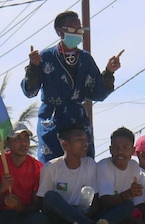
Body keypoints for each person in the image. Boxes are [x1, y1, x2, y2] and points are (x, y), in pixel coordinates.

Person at [21, 10, 122, 162]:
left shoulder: (86, 59)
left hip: (78, 118)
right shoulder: (46, 57)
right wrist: (33, 68)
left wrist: (108, 72)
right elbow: (30, 92)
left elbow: (97, 94)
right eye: (72, 29)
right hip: (53, 117)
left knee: (84, 162)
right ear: (59, 31)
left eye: (79, 29)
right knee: (52, 165)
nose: (76, 33)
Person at [38, 124, 111, 224]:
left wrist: (85, 215)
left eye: (86, 139)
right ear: (65, 144)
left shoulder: (90, 164)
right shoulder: (51, 168)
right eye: (79, 140)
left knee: (125, 205)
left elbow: (95, 197)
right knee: (51, 196)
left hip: (84, 213)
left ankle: (82, 223)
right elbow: (43, 201)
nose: (85, 144)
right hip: (60, 217)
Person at [0, 122, 47, 224]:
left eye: (26, 138)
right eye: (18, 138)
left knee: (41, 219)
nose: (24, 143)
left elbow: (36, 205)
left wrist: (20, 207)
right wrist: (2, 188)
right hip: (1, 214)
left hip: (24, 215)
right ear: (7, 143)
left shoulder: (38, 167)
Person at [95, 126, 145, 224]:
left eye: (125, 148)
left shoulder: (134, 166)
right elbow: (105, 202)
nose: (120, 152)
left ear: (132, 150)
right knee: (128, 204)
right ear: (110, 149)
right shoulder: (104, 165)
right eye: (116, 147)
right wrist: (128, 194)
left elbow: (137, 204)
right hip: (102, 211)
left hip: (122, 213)